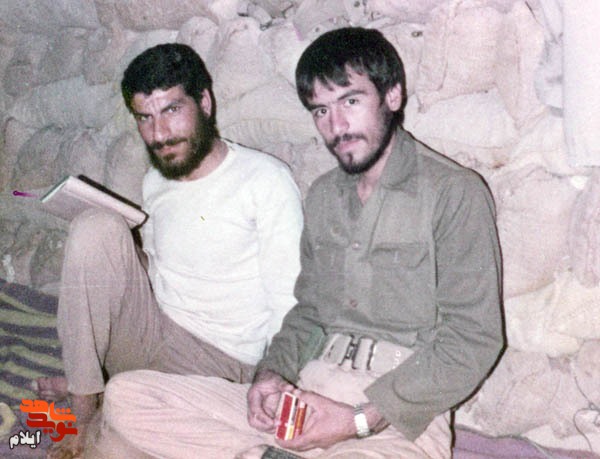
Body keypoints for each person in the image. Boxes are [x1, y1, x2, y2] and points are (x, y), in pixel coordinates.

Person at [92, 27, 504, 459]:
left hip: (397, 416)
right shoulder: (325, 196)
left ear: (393, 96)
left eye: (351, 101)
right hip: (307, 395)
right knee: (126, 397)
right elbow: (308, 311)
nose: (336, 126)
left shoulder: (453, 192)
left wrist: (360, 419)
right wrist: (271, 375)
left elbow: (474, 339)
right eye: (321, 110)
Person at [39, 43, 303, 458]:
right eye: (145, 117)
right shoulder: (157, 180)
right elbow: (164, 268)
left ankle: (113, 409)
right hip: (153, 336)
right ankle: (84, 405)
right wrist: (119, 255)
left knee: (111, 448)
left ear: (205, 103)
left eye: (171, 110)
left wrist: (272, 382)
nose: (159, 134)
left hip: (220, 363)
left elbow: (290, 302)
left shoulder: (264, 181)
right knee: (95, 227)